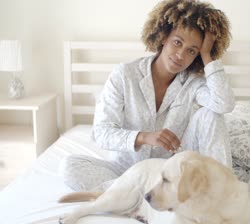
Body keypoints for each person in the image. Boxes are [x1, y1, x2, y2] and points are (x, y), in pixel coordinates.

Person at [61, 0, 234, 192]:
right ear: (163, 37)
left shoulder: (193, 82)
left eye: (191, 51)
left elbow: (223, 104)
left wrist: (207, 56)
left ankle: (219, 193)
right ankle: (140, 195)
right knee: (70, 166)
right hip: (124, 170)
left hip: (170, 171)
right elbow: (102, 133)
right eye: (177, 42)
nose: (180, 55)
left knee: (211, 115)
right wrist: (143, 137)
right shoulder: (124, 74)